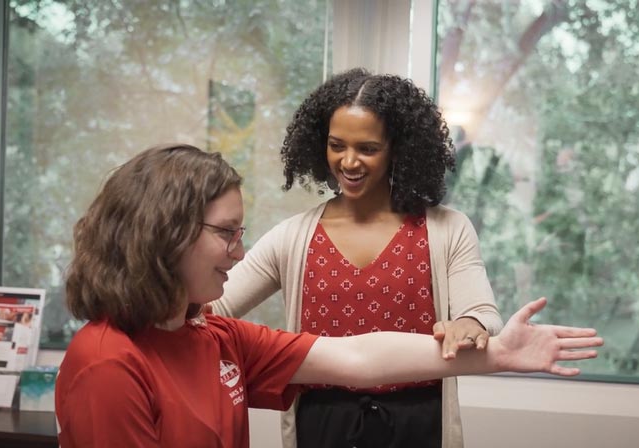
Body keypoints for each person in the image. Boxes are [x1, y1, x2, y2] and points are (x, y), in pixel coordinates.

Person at [55, 144, 603, 448]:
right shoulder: (108, 363)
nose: (240, 253)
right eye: (226, 233)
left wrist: (500, 354)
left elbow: (357, 356)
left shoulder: (214, 338)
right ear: (165, 234)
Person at [208, 68, 523, 447]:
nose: (349, 162)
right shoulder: (293, 237)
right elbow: (215, 308)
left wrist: (470, 323)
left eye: (367, 149)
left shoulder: (447, 229)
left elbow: (483, 315)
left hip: (418, 424)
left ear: (398, 149)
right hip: (321, 424)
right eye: (337, 145)